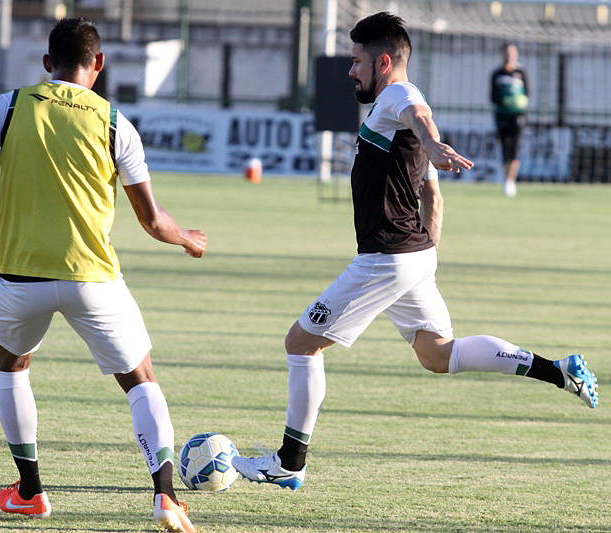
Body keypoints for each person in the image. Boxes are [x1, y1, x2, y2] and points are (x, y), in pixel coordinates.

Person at [232, 12, 597, 491]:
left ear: (383, 62)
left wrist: (432, 142)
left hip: (387, 257)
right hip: (414, 255)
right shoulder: (401, 110)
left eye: (357, 61)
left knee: (300, 344)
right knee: (438, 355)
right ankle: (558, 371)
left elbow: (419, 119)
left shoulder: (397, 96)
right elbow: (434, 197)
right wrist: (424, 257)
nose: (350, 70)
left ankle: (290, 462)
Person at [0, 18, 206, 533]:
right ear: (97, 64)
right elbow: (151, 219)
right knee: (141, 381)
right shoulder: (116, 122)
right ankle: (166, 497)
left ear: (48, 64)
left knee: (11, 369)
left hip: (18, 280)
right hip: (92, 278)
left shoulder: (8, 106)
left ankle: (30, 492)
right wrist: (187, 237)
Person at [491, 42, 529, 197]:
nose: (509, 56)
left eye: (512, 52)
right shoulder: (497, 74)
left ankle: (511, 181)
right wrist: (505, 101)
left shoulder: (520, 72)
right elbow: (492, 96)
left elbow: (528, 92)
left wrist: (518, 101)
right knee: (505, 146)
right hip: (502, 115)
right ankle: (506, 178)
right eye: (507, 52)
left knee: (515, 146)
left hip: (518, 114)